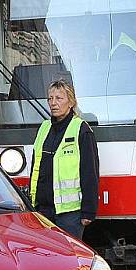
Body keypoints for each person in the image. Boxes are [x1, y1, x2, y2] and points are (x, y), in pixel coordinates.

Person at [29, 79, 99, 240]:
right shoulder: (44, 128)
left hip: (70, 214)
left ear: (71, 102)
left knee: (71, 259)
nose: (53, 103)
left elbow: (90, 172)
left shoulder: (81, 130)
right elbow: (35, 168)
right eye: (50, 98)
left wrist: (89, 210)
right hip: (43, 210)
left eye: (59, 98)